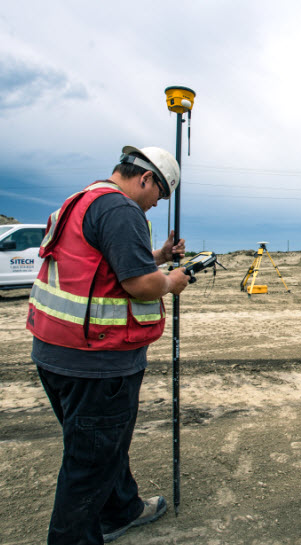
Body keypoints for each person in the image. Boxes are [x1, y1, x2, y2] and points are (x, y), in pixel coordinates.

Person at [26, 145, 190, 544]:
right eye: (160, 195)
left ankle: (121, 509)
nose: (156, 205)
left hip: (58, 352)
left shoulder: (81, 201)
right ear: (146, 178)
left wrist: (158, 255)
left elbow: (100, 264)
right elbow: (141, 284)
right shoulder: (121, 210)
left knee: (102, 447)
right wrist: (171, 281)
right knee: (89, 466)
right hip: (97, 363)